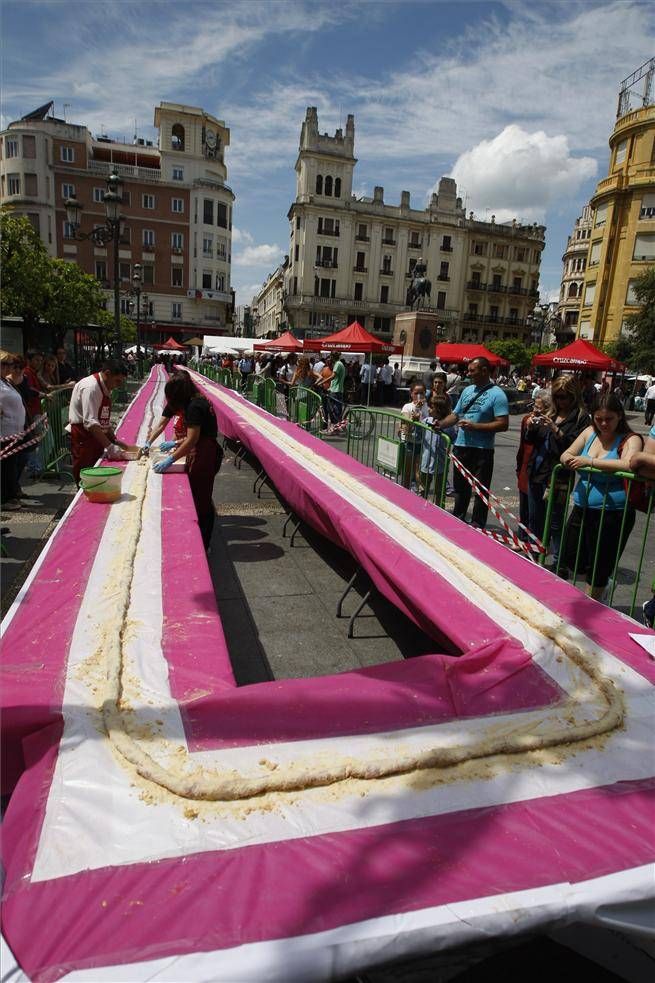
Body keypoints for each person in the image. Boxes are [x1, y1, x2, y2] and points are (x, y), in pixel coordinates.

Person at [559, 393, 642, 600]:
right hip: (582, 506)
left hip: (614, 513)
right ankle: (603, 585)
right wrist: (569, 458)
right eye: (599, 419)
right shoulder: (589, 432)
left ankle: (591, 605)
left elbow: (628, 463)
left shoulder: (630, 439)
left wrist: (591, 463)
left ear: (620, 417)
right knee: (570, 557)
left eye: (609, 419)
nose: (603, 423)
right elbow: (566, 453)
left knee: (599, 567)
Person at [151, 374, 223, 549]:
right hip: (202, 450)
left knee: (201, 500)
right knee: (200, 495)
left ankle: (204, 543)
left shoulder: (194, 407)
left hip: (205, 454)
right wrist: (165, 442)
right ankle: (200, 537)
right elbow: (190, 437)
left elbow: (192, 439)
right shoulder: (195, 401)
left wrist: (170, 459)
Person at [435, 357, 509, 529]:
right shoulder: (467, 390)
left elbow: (503, 424)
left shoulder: (498, 394)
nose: (468, 374)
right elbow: (455, 415)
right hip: (462, 446)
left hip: (482, 450)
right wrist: (440, 424)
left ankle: (477, 524)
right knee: (460, 488)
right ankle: (459, 519)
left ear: (484, 371)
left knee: (480, 490)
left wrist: (476, 426)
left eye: (472, 371)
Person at [538, 375, 590, 567]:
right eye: (557, 396)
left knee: (556, 520)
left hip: (560, 475)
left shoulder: (580, 416)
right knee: (541, 518)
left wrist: (556, 430)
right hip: (540, 469)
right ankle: (541, 552)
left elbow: (575, 446)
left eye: (564, 397)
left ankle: (559, 561)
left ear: (573, 395)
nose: (560, 401)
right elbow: (537, 438)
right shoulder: (551, 412)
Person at [67, 359, 133, 485]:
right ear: (107, 373)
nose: (119, 385)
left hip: (96, 438)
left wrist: (115, 441)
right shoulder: (91, 388)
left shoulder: (106, 386)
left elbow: (103, 420)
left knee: (97, 470)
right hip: (84, 437)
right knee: (86, 474)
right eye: (117, 381)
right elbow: (91, 423)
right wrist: (110, 447)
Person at [517, 389, 552, 541]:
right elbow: (523, 444)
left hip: (542, 470)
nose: (535, 411)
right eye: (534, 407)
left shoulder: (551, 423)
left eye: (539, 408)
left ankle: (535, 543)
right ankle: (522, 537)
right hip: (527, 466)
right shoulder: (527, 419)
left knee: (537, 513)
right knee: (525, 506)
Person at [1, 352, 29, 511]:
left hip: (13, 433)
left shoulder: (6, 381)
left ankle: (10, 496)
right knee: (5, 470)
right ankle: (5, 498)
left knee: (11, 468)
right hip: (4, 435)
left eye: (9, 365)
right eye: (4, 364)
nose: (8, 368)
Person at [419, 394, 457, 498]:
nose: (429, 409)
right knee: (422, 490)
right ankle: (420, 510)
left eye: (432, 407)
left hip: (441, 464)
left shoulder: (449, 426)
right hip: (425, 463)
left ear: (439, 410)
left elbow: (454, 439)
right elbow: (417, 432)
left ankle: (438, 508)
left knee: (439, 491)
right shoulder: (426, 421)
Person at [399, 382, 430, 489]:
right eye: (416, 393)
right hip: (410, 442)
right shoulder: (407, 407)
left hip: (424, 444)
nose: (419, 396)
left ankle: (419, 493)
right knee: (407, 472)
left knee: (419, 472)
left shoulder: (428, 407)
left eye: (422, 393)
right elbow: (406, 427)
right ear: (411, 393)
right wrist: (416, 410)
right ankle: (405, 492)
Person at [322, 351, 345, 428]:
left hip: (335, 390)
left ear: (332, 356)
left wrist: (323, 381)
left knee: (332, 410)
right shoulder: (340, 364)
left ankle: (336, 427)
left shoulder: (337, 364)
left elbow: (333, 376)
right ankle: (337, 426)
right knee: (335, 410)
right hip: (337, 389)